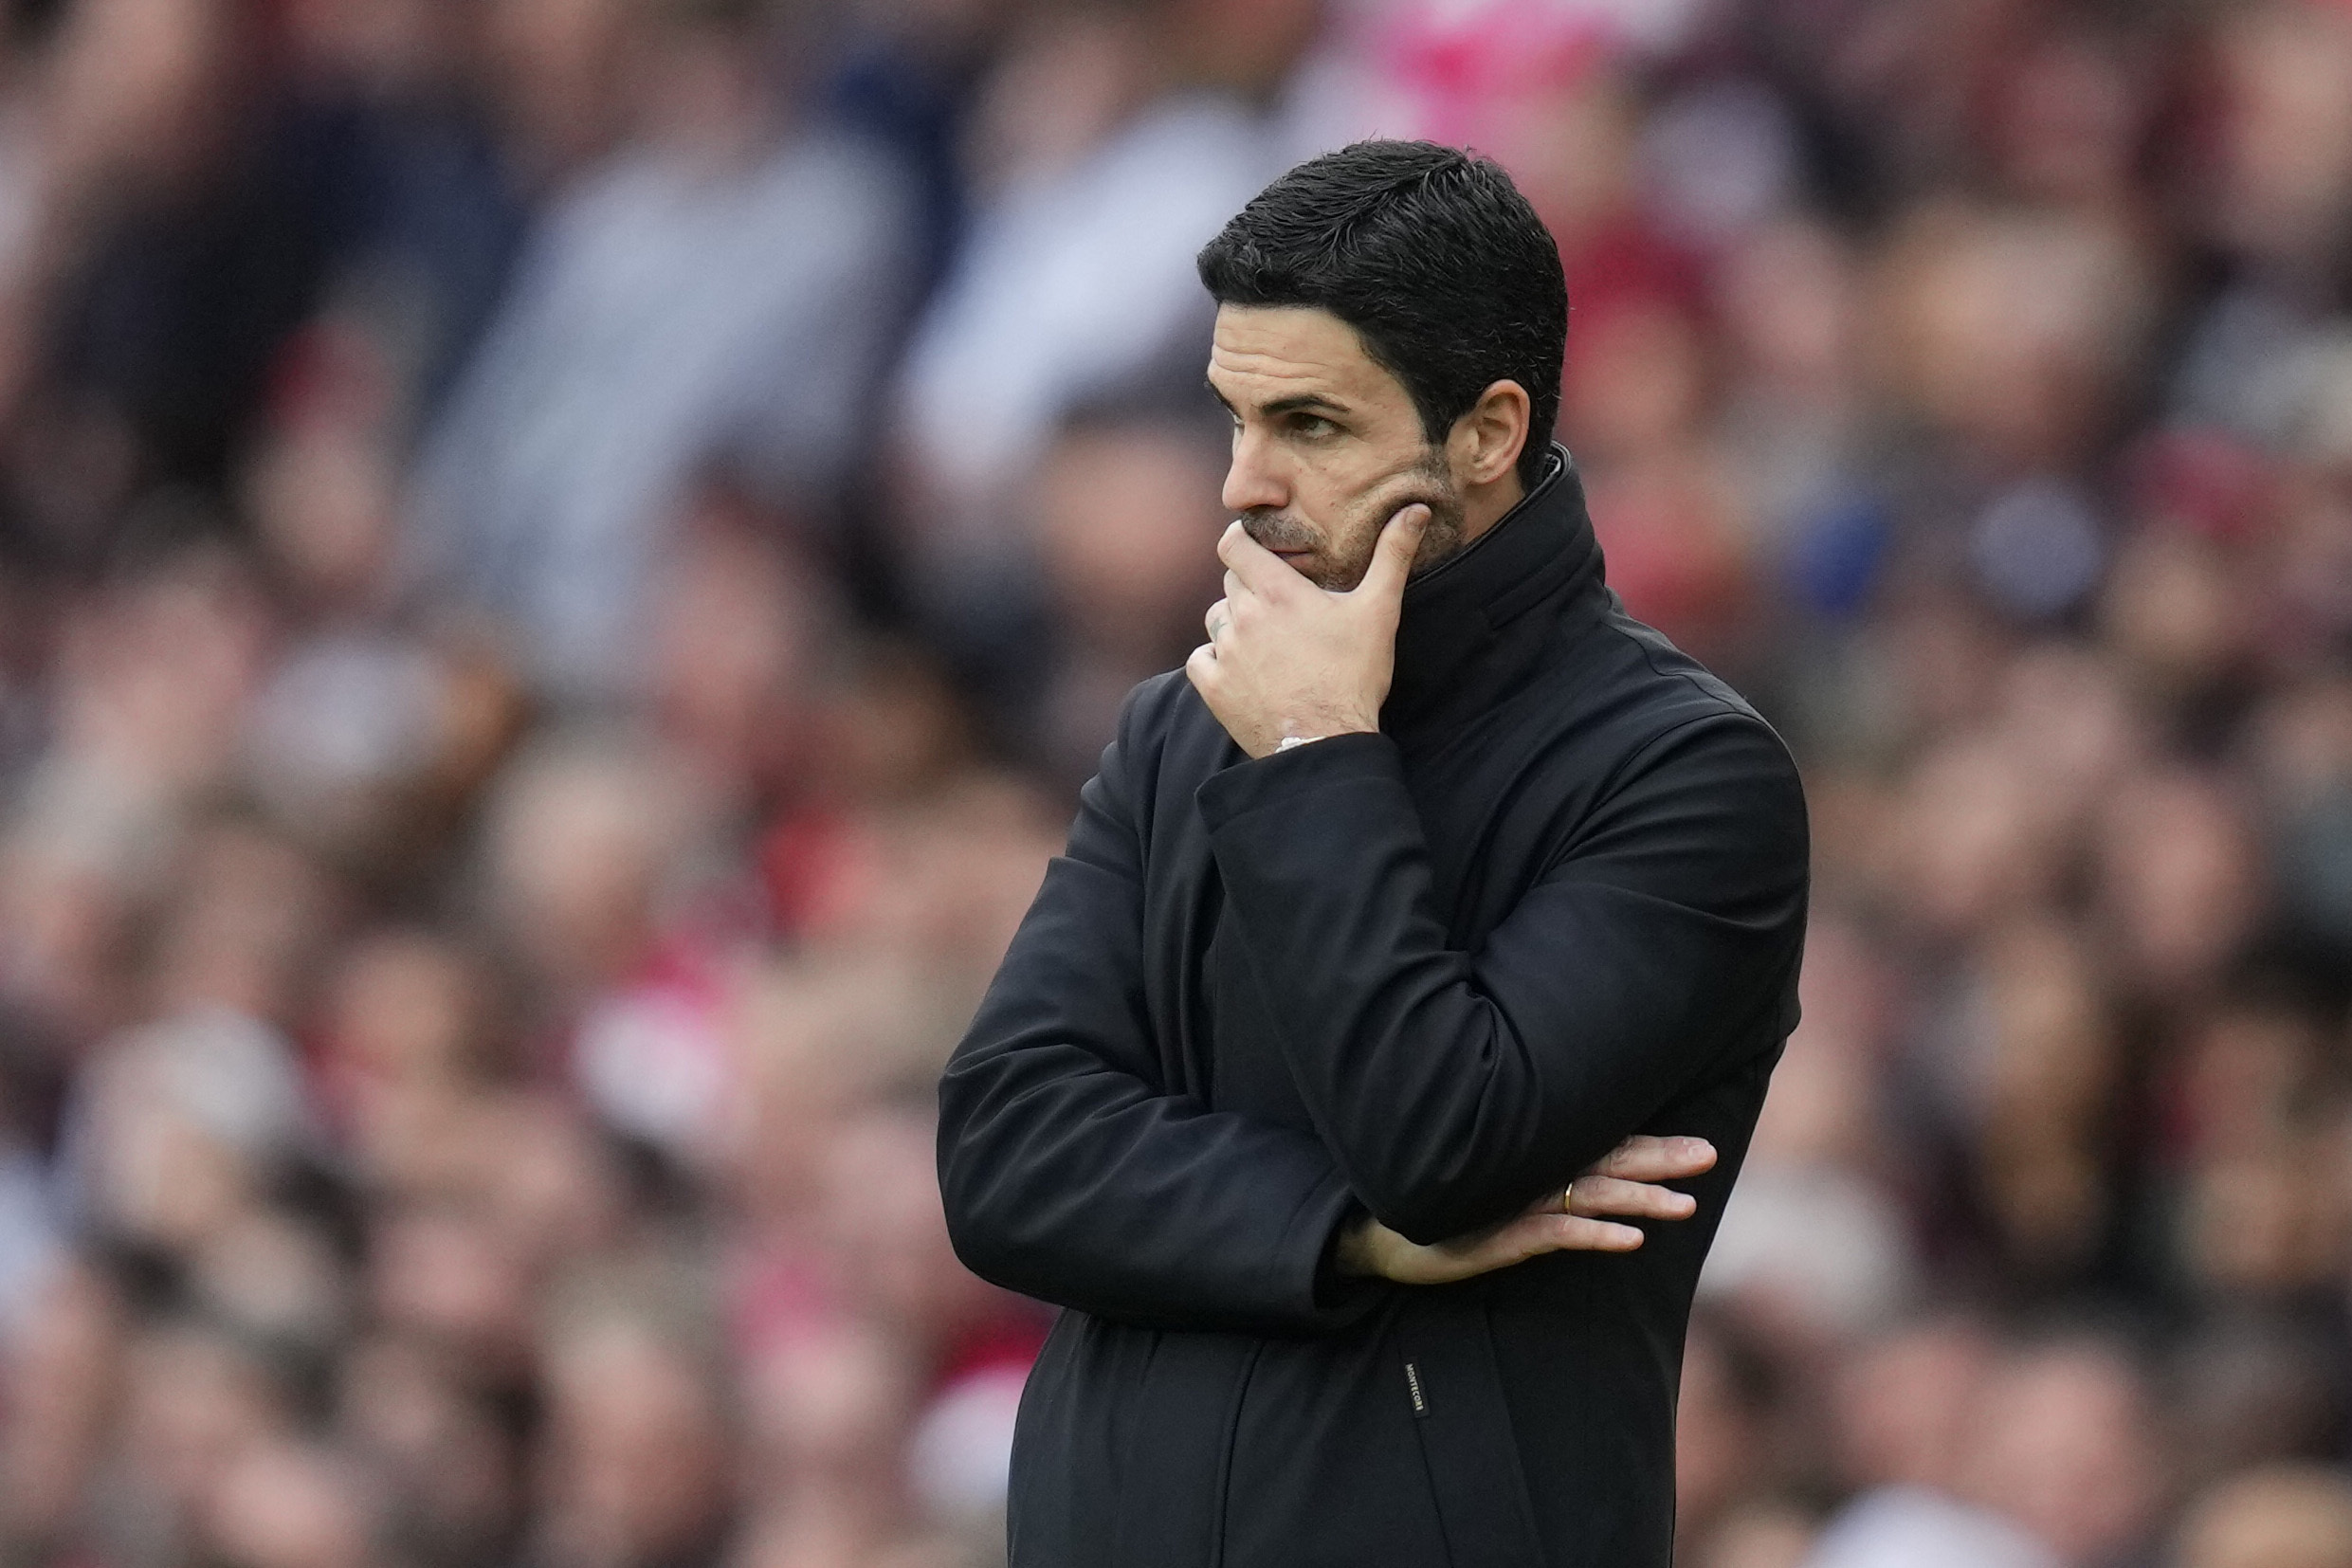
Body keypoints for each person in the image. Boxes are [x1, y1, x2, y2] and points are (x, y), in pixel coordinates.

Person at [936, 140, 1810, 1567]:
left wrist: (1317, 752)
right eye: (1233, 420)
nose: (1243, 484)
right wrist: (1335, 1229)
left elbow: (1440, 1144)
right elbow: (1003, 1150)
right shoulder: (1181, 724)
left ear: (1487, 431)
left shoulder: (1686, 774)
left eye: (1310, 425)